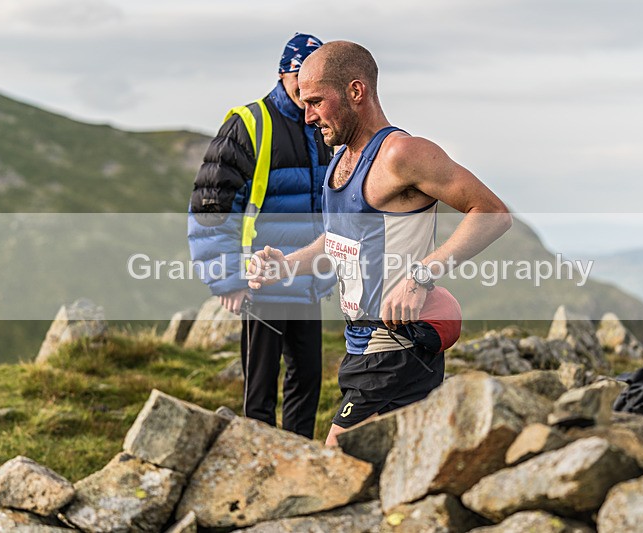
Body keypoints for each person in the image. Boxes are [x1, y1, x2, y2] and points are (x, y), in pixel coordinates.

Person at [247, 40, 512, 446]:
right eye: (303, 102)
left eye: (316, 101)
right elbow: (339, 241)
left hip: (396, 346)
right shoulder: (340, 158)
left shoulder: (403, 154)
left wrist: (421, 275)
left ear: (356, 91)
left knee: (336, 455)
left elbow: (491, 213)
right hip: (361, 346)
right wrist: (285, 265)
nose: (307, 115)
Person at [187, 33, 333, 439]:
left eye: (316, 87)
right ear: (284, 74)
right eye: (301, 84)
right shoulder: (249, 123)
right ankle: (258, 460)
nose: (308, 97)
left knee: (307, 381)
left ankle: (299, 458)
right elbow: (210, 206)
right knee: (261, 389)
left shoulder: (322, 124)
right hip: (260, 280)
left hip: (307, 279)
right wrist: (227, 277)